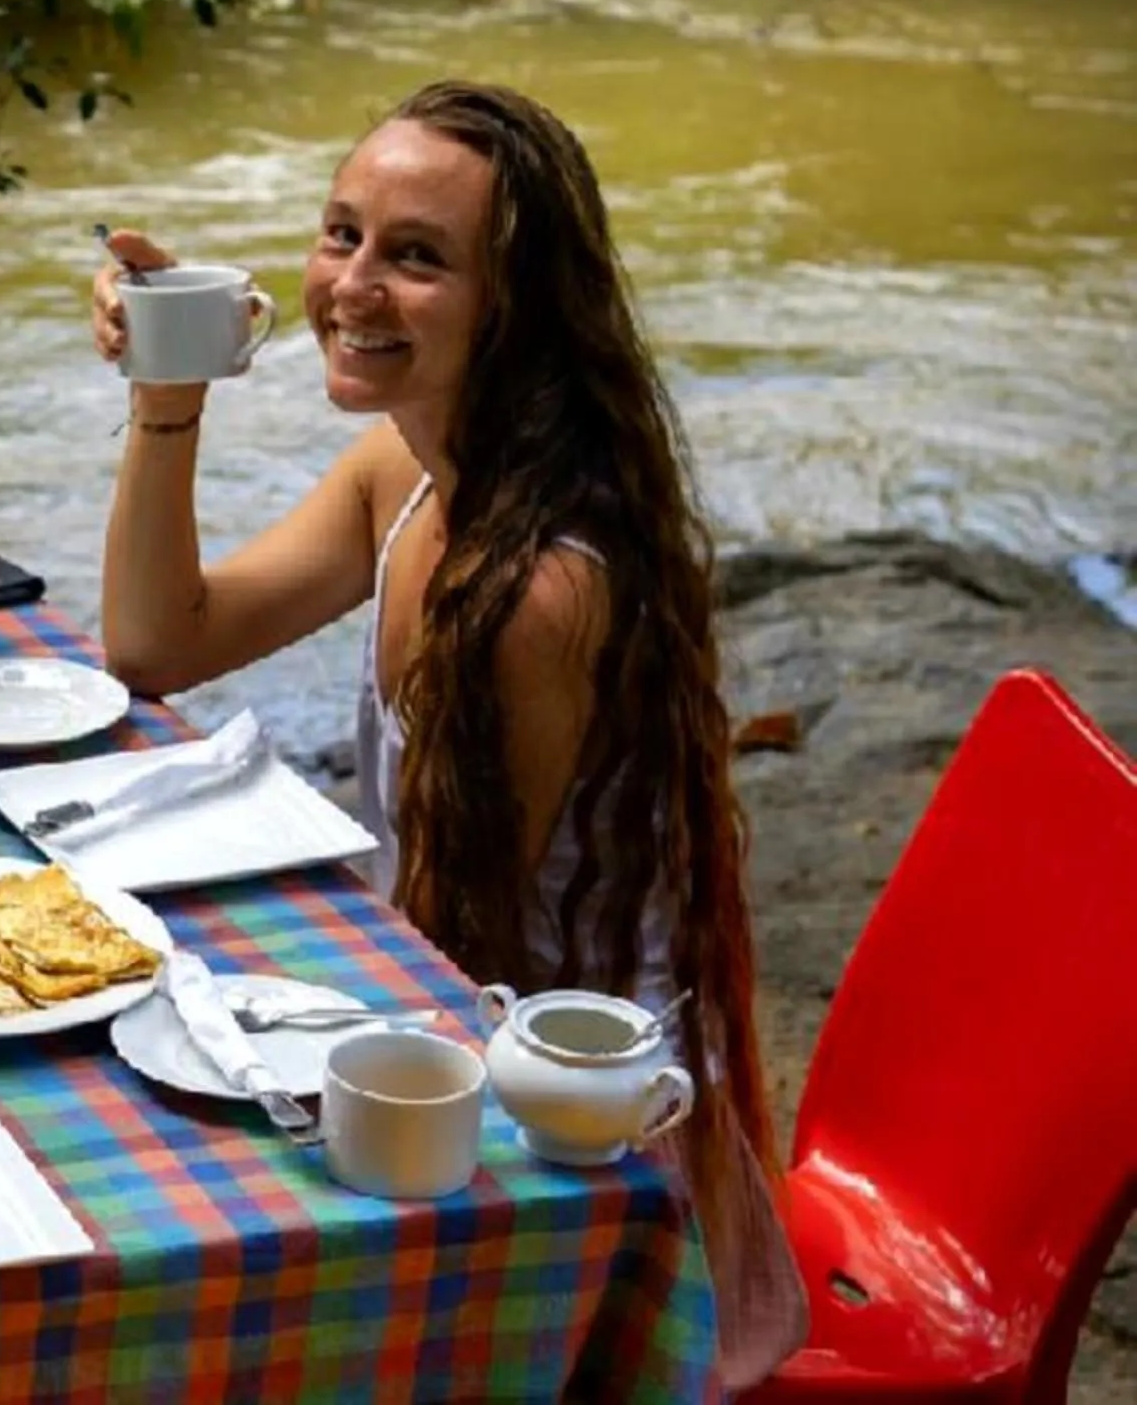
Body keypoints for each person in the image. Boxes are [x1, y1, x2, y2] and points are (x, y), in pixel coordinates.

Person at [87, 80, 806, 1388]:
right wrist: (165, 387)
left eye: (417, 257)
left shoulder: (541, 590)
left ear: (513, 309)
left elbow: (453, 953)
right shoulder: (405, 473)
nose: (353, 285)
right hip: (440, 1011)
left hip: (566, 1135)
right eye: (340, 233)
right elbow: (157, 641)